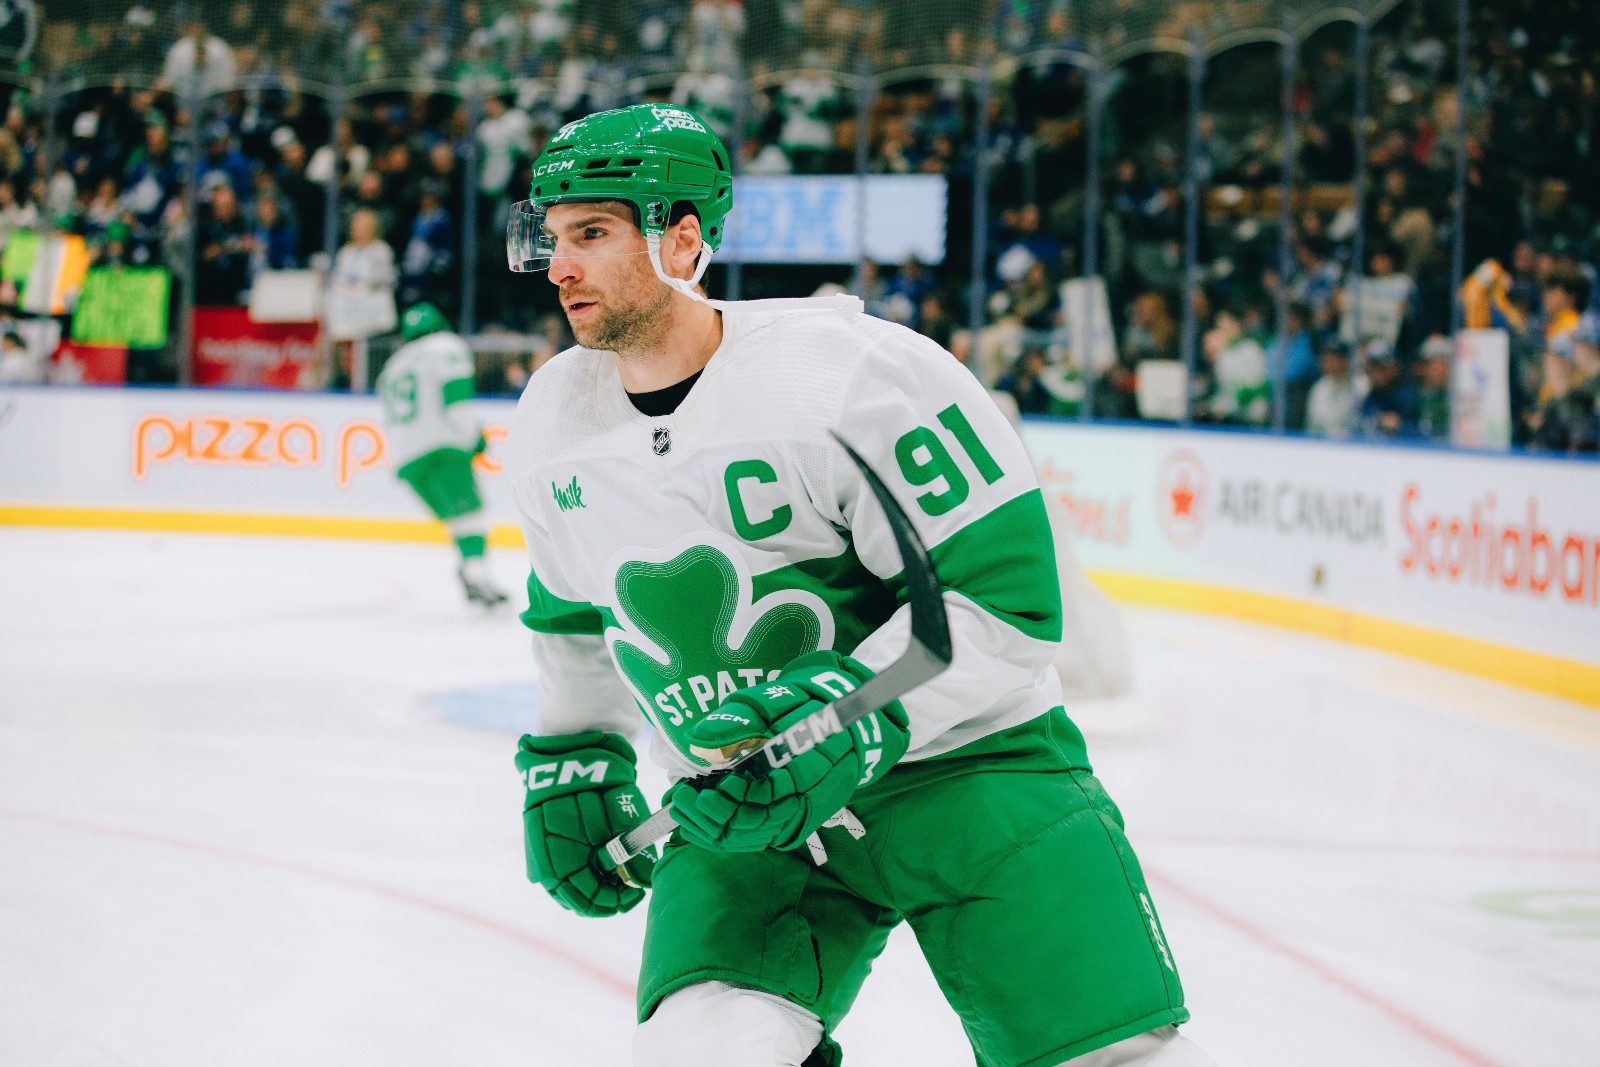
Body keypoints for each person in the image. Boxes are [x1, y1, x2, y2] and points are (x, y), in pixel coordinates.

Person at [503, 103, 1212, 1067]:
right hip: (747, 806)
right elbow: (574, 613)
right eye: (551, 237)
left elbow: (1003, 599)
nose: (559, 267)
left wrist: (850, 715)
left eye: (591, 234)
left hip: (969, 770)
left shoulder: (853, 375)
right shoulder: (553, 417)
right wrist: (575, 751)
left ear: (682, 240)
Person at [375, 302, 508, 607]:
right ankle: (476, 575)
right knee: (472, 515)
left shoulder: (394, 364)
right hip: (441, 446)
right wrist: (473, 436)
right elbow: (456, 399)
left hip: (405, 457)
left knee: (459, 519)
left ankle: (471, 570)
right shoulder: (447, 346)